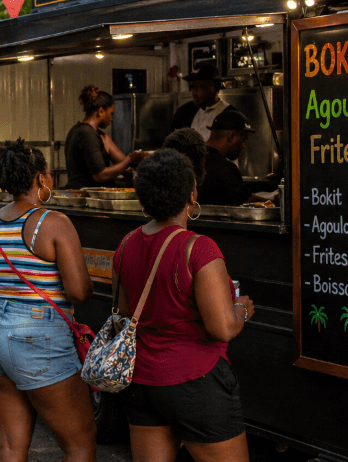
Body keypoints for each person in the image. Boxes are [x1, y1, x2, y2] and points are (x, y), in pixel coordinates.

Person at [115, 150, 255, 461]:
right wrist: (242, 309)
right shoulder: (199, 248)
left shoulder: (125, 245)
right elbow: (223, 328)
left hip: (142, 380)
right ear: (192, 192)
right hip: (196, 382)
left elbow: (125, 312)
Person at [0, 139, 97, 461]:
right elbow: (78, 291)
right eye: (49, 174)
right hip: (36, 335)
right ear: (41, 178)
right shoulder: (53, 222)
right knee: (80, 443)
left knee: (9, 446)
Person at [64, 85, 145, 188]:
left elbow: (122, 162)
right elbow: (100, 176)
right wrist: (129, 159)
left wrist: (137, 159)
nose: (112, 119)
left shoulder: (96, 134)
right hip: (86, 194)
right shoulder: (86, 133)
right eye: (111, 114)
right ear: (101, 111)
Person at [199, 110, 272, 206]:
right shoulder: (225, 167)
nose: (244, 146)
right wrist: (275, 201)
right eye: (243, 139)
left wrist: (263, 185)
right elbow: (247, 201)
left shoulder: (196, 157)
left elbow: (235, 185)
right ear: (231, 136)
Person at [170, 64, 237, 141]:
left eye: (201, 87)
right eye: (193, 87)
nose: (195, 93)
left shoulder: (230, 115)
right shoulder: (184, 112)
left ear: (215, 88)